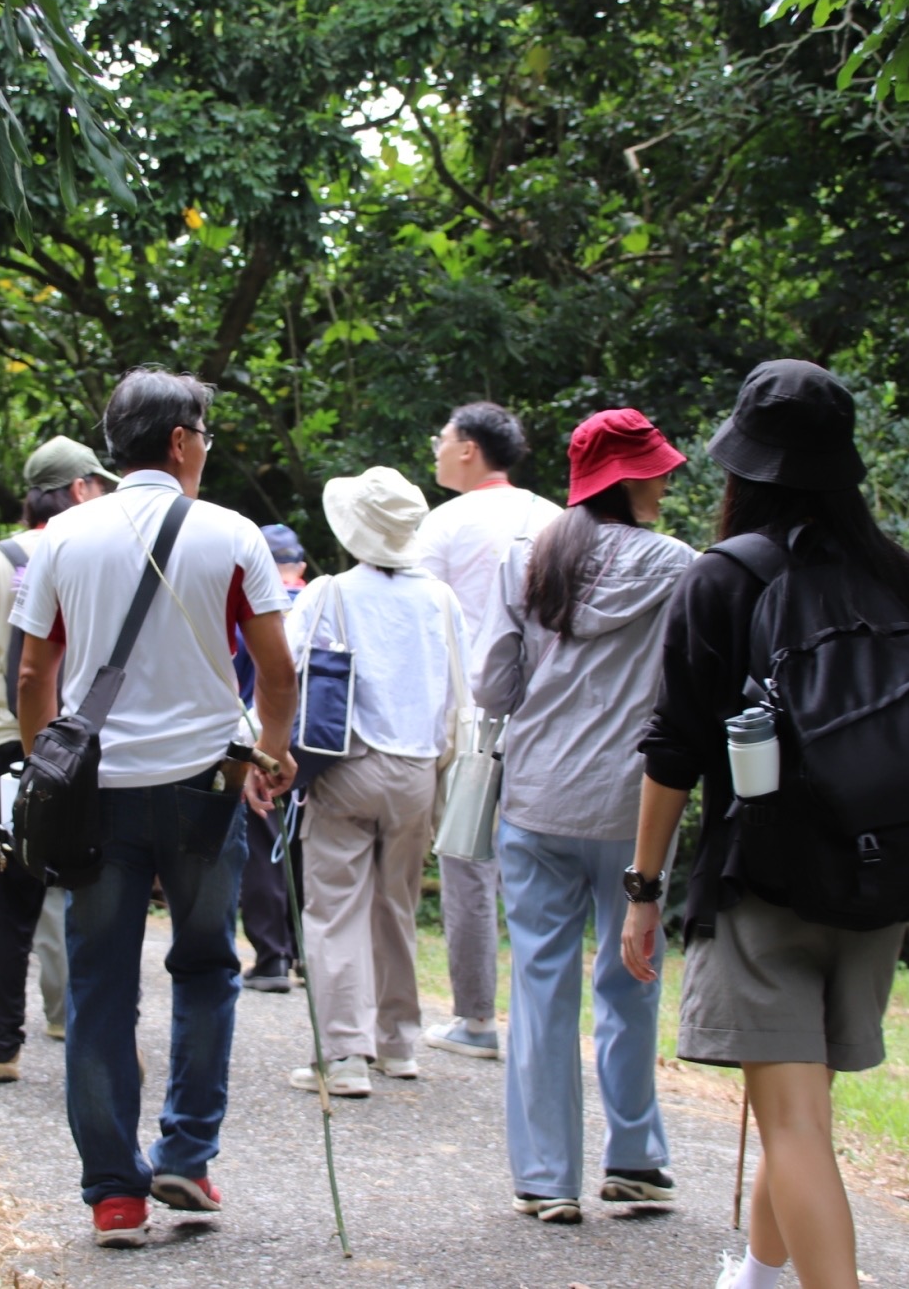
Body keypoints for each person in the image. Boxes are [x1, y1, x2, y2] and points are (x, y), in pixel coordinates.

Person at [622, 362, 909, 1289]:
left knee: (790, 1123)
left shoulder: (726, 578)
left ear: (745, 469)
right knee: (801, 1107)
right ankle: (755, 1273)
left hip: (766, 881)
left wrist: (644, 888)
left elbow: (675, 747)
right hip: (884, 880)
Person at [11, 367, 297, 1249]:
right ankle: (185, 1155)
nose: (206, 448)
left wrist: (41, 764)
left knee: (100, 984)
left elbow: (31, 673)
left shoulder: (63, 536)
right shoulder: (233, 534)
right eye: (204, 434)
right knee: (207, 967)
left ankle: (113, 1196)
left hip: (97, 794)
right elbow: (278, 669)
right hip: (207, 790)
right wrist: (274, 748)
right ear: (179, 441)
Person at [474, 409, 694, 1225]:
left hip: (535, 800)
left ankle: (546, 1176)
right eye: (659, 467)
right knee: (631, 975)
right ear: (631, 477)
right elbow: (692, 690)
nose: (667, 478)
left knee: (540, 985)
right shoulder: (684, 568)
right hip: (638, 808)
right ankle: (634, 1157)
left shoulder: (527, 557)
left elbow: (492, 687)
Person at [285, 468, 463, 1099]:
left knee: (334, 910)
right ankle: (400, 1044)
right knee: (397, 906)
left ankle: (344, 1057)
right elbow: (456, 699)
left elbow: (289, 678)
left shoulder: (327, 594)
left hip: (346, 765)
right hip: (418, 769)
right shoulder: (439, 598)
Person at [0, 436, 117, 1082]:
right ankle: (94, 1039)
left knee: (11, 897)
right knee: (99, 893)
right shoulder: (106, 551)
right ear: (78, 489)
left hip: (12, 743)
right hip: (90, 742)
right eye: (97, 484)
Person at [414, 400, 563, 1061]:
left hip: (474, 715)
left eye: (443, 439)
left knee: (470, 863)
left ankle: (476, 1017)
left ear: (469, 448)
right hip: (553, 714)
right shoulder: (556, 519)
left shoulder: (445, 522)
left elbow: (425, 624)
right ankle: (540, 1024)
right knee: (542, 865)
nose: (438, 449)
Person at [237, 523, 309, 993]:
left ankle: (271, 957)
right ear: (300, 565)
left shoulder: (252, 604)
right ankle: (307, 953)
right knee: (304, 845)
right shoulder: (319, 601)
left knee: (264, 844)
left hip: (263, 734)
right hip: (320, 739)